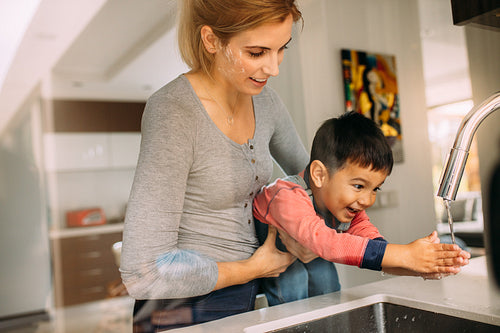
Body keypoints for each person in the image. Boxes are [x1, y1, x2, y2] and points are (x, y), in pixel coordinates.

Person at [119, 0, 310, 331]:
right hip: (180, 311)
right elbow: (142, 272)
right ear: (211, 41)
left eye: (281, 49)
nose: (274, 68)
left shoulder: (266, 103)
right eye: (256, 52)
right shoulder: (174, 111)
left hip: (245, 298)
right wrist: (252, 268)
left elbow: (316, 178)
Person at [253, 111, 471, 306]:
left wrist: (418, 267)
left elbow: (375, 249)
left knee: (326, 283)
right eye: (358, 186)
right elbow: (328, 243)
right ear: (319, 175)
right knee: (294, 282)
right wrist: (405, 254)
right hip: (276, 253)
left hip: (309, 251)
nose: (367, 200)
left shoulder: (348, 207)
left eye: (375, 188)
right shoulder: (287, 197)